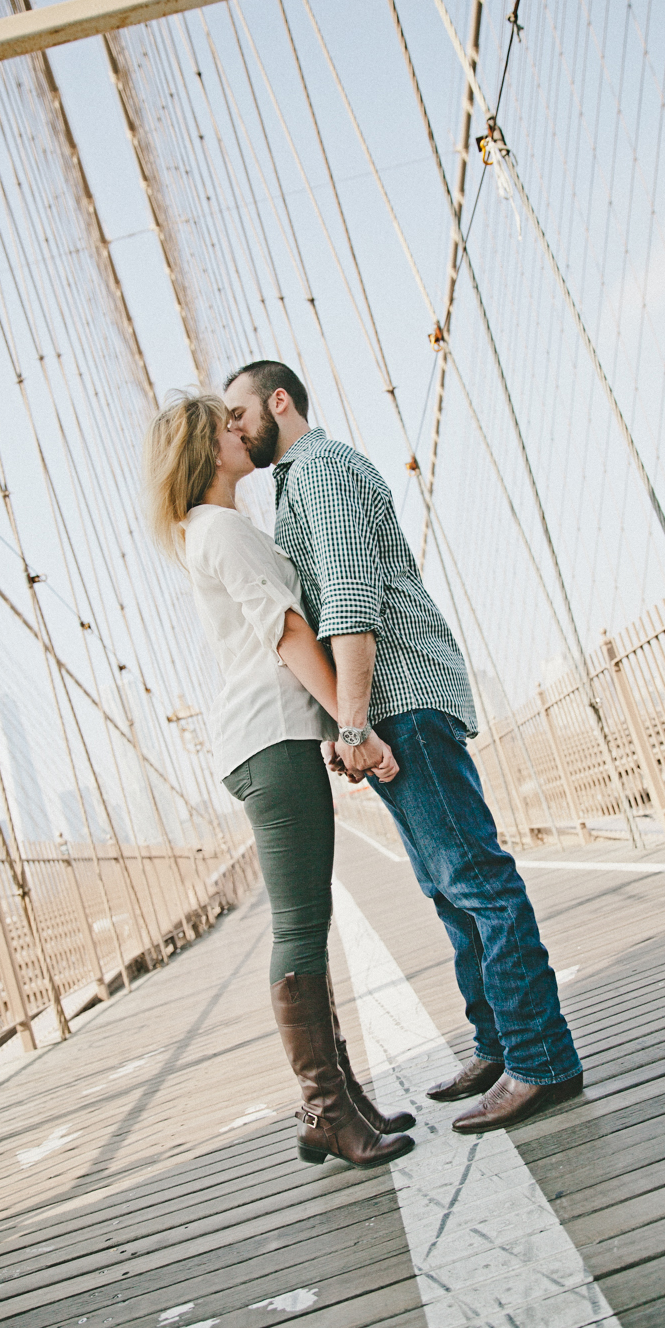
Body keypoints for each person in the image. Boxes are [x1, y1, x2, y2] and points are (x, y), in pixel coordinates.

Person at [223, 361, 583, 1134]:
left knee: (477, 880)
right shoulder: (297, 485)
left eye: (238, 410)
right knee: (446, 886)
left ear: (278, 401)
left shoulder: (320, 471)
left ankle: (541, 1060)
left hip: (403, 700)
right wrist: (348, 723)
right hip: (388, 706)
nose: (233, 427)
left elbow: (350, 599)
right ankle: (499, 1044)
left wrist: (351, 724)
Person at [142, 391, 414, 1169]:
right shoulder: (222, 528)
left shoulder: (209, 531)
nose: (240, 430)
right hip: (271, 736)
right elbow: (290, 631)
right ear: (202, 450)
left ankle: (342, 1097)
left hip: (267, 736)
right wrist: (354, 729)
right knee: (299, 925)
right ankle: (324, 1107)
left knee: (309, 921)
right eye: (225, 427)